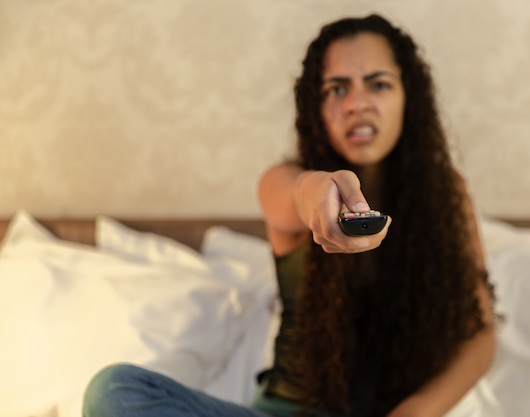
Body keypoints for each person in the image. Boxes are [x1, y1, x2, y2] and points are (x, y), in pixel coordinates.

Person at [83, 13, 495, 417]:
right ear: (314, 107)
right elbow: (298, 194)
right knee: (116, 390)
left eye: (378, 84)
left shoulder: (446, 196)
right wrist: (320, 193)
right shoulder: (284, 181)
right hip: (286, 412)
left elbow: (480, 336)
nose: (357, 104)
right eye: (336, 89)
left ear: (409, 96)